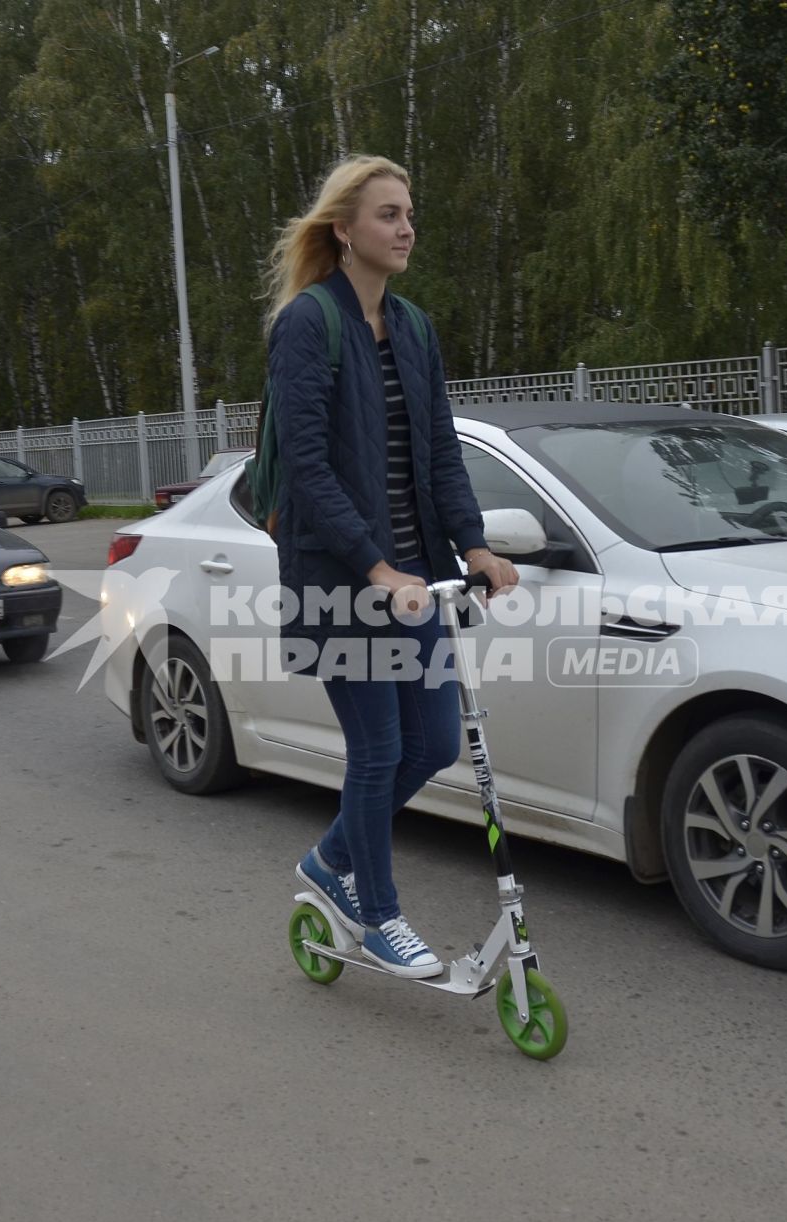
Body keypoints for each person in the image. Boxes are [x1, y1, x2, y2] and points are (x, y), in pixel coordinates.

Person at [262, 155, 520, 979]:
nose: (406, 228)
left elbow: (439, 447)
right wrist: (375, 566)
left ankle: (326, 862)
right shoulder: (309, 323)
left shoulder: (412, 326)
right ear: (343, 230)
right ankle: (375, 913)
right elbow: (306, 464)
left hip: (419, 575)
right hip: (346, 581)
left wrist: (474, 544)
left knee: (434, 742)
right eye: (387, 214)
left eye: (409, 213)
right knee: (376, 752)